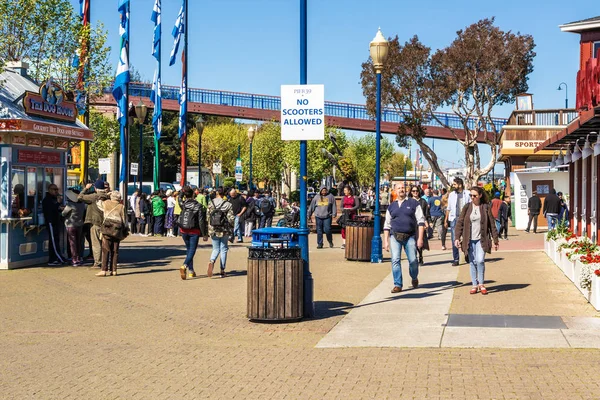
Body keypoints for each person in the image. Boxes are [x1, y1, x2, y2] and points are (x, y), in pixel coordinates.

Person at [454, 186, 499, 295]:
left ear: (480, 196)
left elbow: (492, 224)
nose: (472, 197)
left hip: (481, 239)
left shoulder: (485, 207)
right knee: (472, 262)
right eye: (471, 195)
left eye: (474, 195)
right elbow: (460, 223)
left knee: (480, 260)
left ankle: (481, 284)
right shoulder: (467, 207)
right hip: (469, 239)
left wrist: (495, 239)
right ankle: (474, 285)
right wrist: (457, 237)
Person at [383, 184, 425, 293]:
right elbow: (387, 225)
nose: (401, 190)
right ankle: (398, 284)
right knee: (395, 260)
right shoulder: (391, 206)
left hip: (410, 236)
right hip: (395, 236)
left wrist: (420, 239)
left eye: (403, 188)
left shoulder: (414, 203)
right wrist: (385, 241)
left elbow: (421, 221)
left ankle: (414, 277)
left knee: (413, 260)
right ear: (395, 191)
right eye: (399, 188)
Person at [178, 186, 208, 280]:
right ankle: (185, 265)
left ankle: (191, 271)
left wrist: (182, 192)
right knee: (192, 250)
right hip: (194, 230)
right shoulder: (198, 206)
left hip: (184, 229)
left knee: (188, 250)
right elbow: (201, 221)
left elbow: (179, 198)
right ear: (193, 195)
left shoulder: (183, 204)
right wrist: (204, 233)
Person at [78, 180, 109, 268]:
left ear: (95, 188)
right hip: (106, 222)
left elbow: (80, 197)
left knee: (96, 243)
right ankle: (106, 260)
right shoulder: (107, 196)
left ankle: (98, 262)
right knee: (105, 243)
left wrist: (86, 188)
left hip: (95, 222)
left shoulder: (94, 196)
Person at [96, 191, 127, 277]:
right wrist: (125, 231)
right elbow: (124, 219)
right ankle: (114, 270)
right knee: (115, 250)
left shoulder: (106, 203)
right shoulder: (121, 206)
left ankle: (103, 270)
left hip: (107, 228)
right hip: (117, 230)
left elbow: (98, 203)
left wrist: (106, 195)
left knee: (105, 250)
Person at [206, 187, 235, 278]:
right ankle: (222, 270)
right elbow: (231, 219)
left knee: (215, 248)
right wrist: (232, 228)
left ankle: (212, 261)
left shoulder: (211, 203)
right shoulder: (228, 204)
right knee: (224, 249)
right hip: (224, 229)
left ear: (217, 193)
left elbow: (207, 217)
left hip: (213, 229)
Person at [445, 177, 471, 266]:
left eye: (455, 184)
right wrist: (446, 220)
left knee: (466, 238)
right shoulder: (452, 194)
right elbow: (448, 208)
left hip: (465, 219)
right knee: (454, 239)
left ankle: (467, 255)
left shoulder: (467, 194)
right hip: (454, 219)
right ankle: (456, 259)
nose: (453, 186)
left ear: (460, 185)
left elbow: (470, 206)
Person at [43, 184, 66, 265]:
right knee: (53, 241)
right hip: (51, 222)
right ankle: (53, 259)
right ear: (49, 189)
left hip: (56, 221)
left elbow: (57, 209)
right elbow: (50, 210)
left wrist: (60, 208)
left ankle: (57, 256)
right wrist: (58, 206)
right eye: (54, 189)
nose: (56, 191)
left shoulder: (55, 199)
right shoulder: (47, 199)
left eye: (57, 189)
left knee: (56, 240)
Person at [62, 190, 85, 266]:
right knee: (78, 242)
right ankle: (79, 257)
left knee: (72, 243)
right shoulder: (82, 204)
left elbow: (63, 213)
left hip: (71, 225)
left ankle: (74, 259)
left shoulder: (70, 205)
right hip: (80, 224)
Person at [410, 185, 430, 265]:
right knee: (412, 242)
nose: (415, 192)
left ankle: (420, 256)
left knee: (420, 241)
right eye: (413, 191)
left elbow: (426, 213)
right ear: (411, 192)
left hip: (420, 224)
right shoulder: (409, 201)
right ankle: (413, 257)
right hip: (411, 223)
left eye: (416, 191)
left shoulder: (423, 201)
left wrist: (427, 222)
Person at [340, 185, 359, 250]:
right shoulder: (343, 198)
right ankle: (344, 243)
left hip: (352, 215)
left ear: (349, 191)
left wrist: (351, 209)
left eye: (345, 190)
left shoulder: (354, 197)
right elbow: (341, 206)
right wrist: (344, 209)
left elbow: (357, 205)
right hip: (345, 215)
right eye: (344, 190)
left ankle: (352, 242)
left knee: (353, 228)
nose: (344, 192)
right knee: (343, 228)